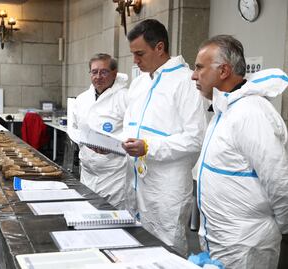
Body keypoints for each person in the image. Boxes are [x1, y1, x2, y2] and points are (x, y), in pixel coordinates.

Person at [191, 35, 288, 269]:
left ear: (223, 70)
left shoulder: (251, 113)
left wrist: (285, 231)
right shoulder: (227, 109)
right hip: (222, 241)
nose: (193, 75)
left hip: (246, 246)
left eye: (199, 68)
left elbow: (279, 180)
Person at [121, 19, 206, 255]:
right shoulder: (139, 85)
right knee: (136, 245)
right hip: (137, 182)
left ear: (159, 47)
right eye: (133, 54)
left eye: (140, 54)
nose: (135, 61)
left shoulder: (186, 82)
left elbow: (195, 138)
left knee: (168, 246)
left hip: (166, 187)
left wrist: (148, 146)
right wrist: (116, 144)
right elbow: (131, 128)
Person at [68, 53, 128, 208]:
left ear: (114, 73)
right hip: (87, 172)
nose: (98, 76)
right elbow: (73, 127)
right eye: (94, 72)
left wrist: (111, 145)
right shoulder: (82, 99)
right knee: (88, 215)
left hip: (115, 175)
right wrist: (84, 140)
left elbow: (134, 133)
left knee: (112, 220)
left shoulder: (126, 98)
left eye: (104, 72)